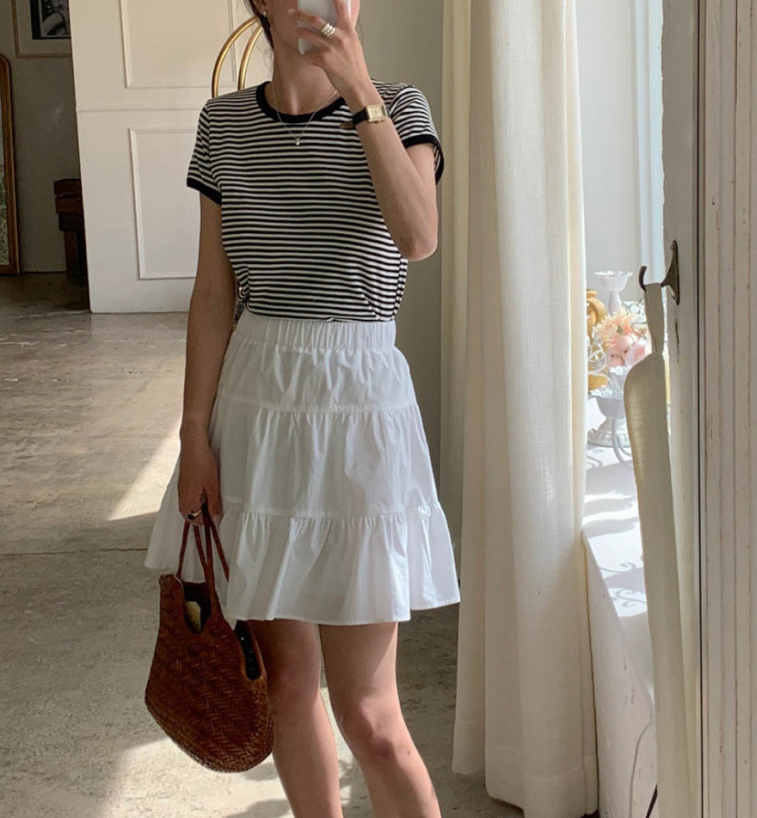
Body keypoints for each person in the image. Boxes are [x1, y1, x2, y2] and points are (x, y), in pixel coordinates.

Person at [142, 1, 460, 815]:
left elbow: (418, 237)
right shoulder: (223, 125)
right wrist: (193, 434)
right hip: (255, 406)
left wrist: (362, 96)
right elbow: (213, 292)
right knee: (286, 686)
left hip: (359, 408)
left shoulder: (401, 106)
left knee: (371, 716)